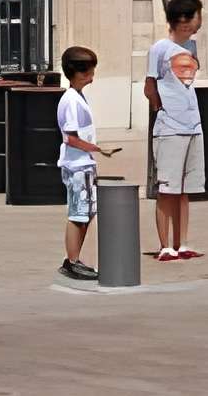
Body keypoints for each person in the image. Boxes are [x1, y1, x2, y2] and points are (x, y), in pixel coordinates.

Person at [144, 0, 208, 263]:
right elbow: (150, 87)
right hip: (170, 128)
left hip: (193, 126)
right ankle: (165, 245)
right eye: (196, 15)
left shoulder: (191, 47)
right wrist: (163, 109)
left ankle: (181, 243)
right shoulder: (159, 49)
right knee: (167, 188)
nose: (199, 21)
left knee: (184, 189)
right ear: (184, 19)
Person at [55, 47, 119, 282]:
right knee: (78, 214)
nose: (93, 74)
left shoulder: (76, 97)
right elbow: (70, 137)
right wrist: (98, 149)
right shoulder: (71, 100)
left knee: (86, 212)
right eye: (90, 69)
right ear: (79, 72)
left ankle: (74, 259)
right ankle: (71, 261)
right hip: (77, 165)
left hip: (83, 164)